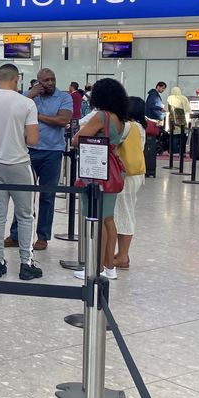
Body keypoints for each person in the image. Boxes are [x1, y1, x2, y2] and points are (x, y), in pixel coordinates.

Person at [0, 64, 43, 281]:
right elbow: (33, 140)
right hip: (19, 164)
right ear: (17, 79)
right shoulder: (27, 104)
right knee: (25, 215)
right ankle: (26, 263)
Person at [6, 68, 72, 251]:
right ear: (38, 81)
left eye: (53, 79)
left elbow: (62, 120)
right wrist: (30, 95)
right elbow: (12, 110)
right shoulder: (28, 97)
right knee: (23, 195)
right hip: (28, 151)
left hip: (52, 152)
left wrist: (36, 116)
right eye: (46, 80)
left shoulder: (63, 97)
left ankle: (43, 237)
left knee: (47, 196)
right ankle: (16, 235)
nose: (50, 83)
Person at [72, 78, 127, 281]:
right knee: (109, 219)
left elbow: (77, 139)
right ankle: (109, 266)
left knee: (96, 219)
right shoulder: (120, 119)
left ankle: (97, 267)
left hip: (96, 169)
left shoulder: (101, 116)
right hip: (113, 169)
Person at [114, 96, 147, 271]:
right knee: (125, 210)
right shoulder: (140, 127)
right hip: (136, 173)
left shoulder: (127, 127)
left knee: (124, 212)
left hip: (125, 174)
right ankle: (121, 254)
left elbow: (113, 141)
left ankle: (123, 256)